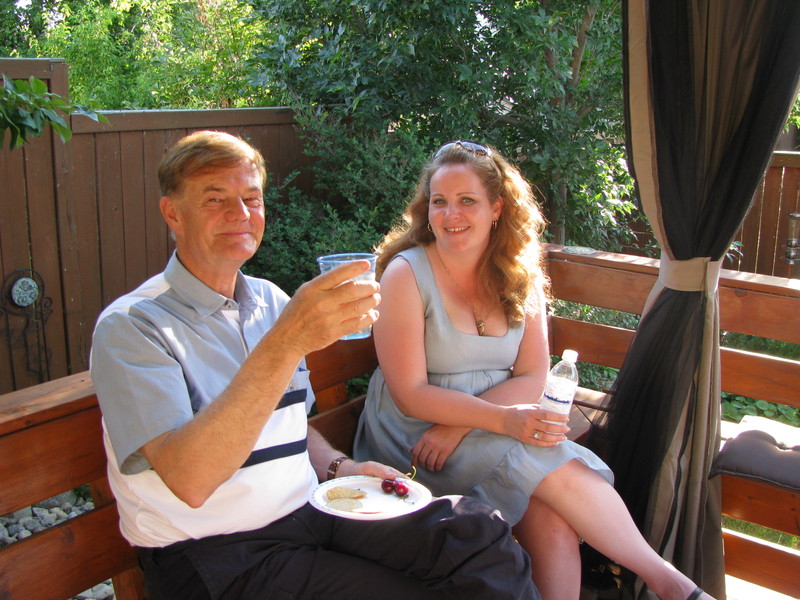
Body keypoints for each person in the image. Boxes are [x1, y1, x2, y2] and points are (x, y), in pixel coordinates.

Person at [89, 131, 540, 600]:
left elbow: (290, 427)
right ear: (172, 213)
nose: (240, 214)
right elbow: (190, 479)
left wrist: (341, 468)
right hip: (217, 552)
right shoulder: (134, 326)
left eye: (251, 198)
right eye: (214, 199)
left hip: (309, 513)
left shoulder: (269, 300)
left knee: (477, 533)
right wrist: (286, 342)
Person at [353, 140, 714, 600]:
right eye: (439, 202)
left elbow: (531, 376)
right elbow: (409, 394)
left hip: (478, 428)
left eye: (467, 201)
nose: (450, 215)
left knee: (551, 515)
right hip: (414, 436)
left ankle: (668, 584)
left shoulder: (518, 274)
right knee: (536, 459)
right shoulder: (406, 274)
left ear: (497, 208)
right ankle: (670, 583)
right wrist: (495, 421)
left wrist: (464, 426)